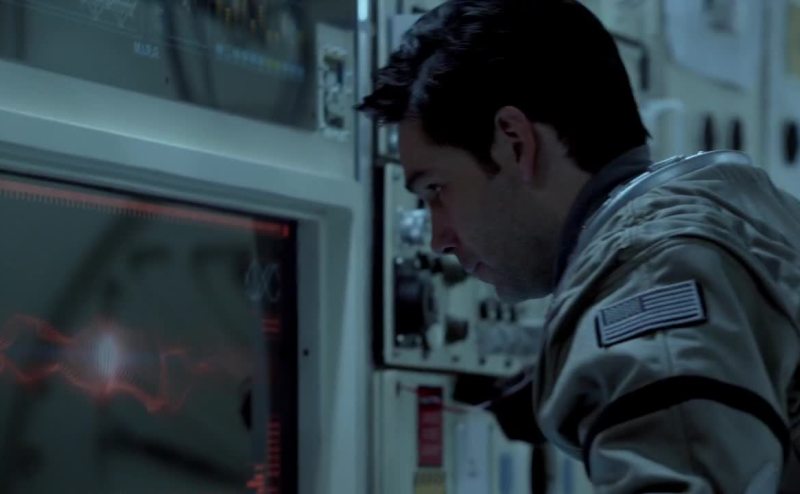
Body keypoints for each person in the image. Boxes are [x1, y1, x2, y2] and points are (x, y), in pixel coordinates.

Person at [356, 0, 800, 492]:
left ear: (514, 142)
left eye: (437, 189)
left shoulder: (653, 275)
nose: (439, 238)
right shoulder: (743, 219)